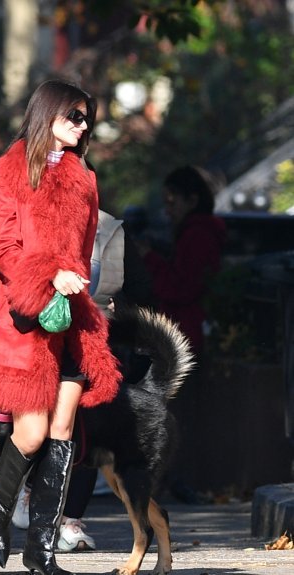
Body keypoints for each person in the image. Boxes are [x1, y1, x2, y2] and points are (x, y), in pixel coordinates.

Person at [0, 79, 121, 575]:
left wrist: (78, 284)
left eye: (86, 119)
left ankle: (42, 550)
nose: (82, 126)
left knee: (62, 434)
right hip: (27, 319)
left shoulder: (85, 178)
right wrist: (47, 275)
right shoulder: (10, 171)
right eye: (73, 116)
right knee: (30, 434)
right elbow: (2, 248)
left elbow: (87, 247)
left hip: (72, 320)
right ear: (47, 115)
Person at [12, 209, 154, 551]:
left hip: (94, 341)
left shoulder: (112, 230)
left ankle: (71, 519)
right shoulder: (35, 221)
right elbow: (4, 282)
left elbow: (142, 289)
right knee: (39, 432)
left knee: (87, 434)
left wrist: (120, 309)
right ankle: (28, 493)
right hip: (42, 340)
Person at [135, 165, 226, 501]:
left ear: (192, 199)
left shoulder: (198, 233)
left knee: (177, 411)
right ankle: (176, 480)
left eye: (173, 200)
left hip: (183, 335)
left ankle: (178, 481)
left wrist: (151, 259)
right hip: (185, 331)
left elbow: (182, 285)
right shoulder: (196, 231)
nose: (167, 208)